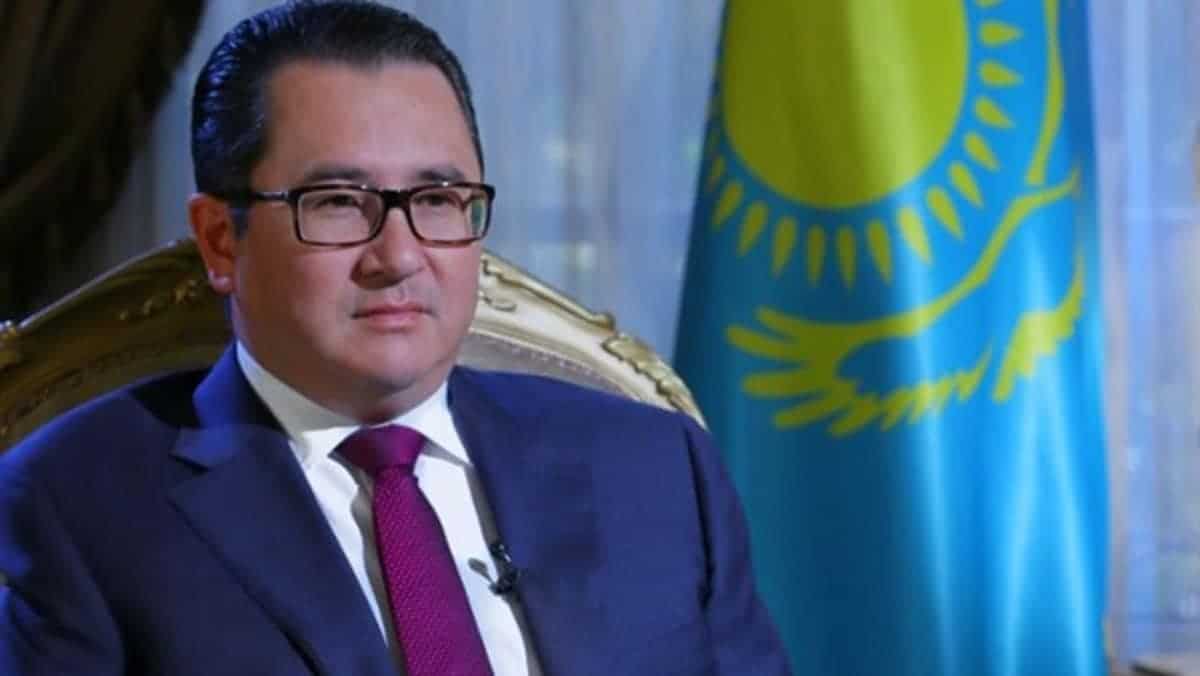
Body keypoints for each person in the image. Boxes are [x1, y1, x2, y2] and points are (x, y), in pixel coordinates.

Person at [0, 1, 791, 674]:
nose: (400, 256)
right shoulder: (74, 505)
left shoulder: (656, 467)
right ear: (220, 241)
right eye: (338, 202)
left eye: (439, 199)